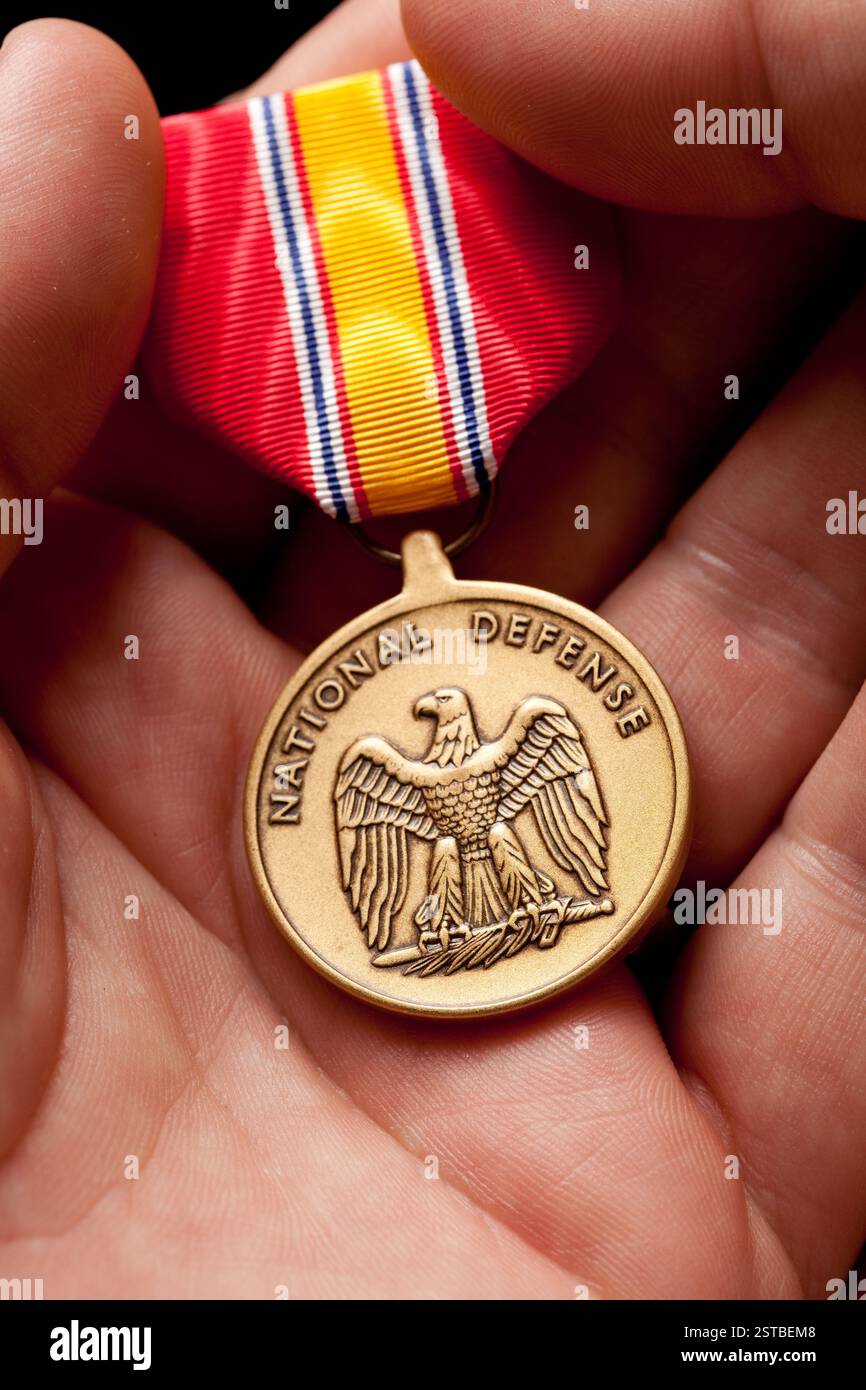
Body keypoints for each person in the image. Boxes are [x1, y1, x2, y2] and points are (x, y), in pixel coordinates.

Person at [0, 0, 862, 1299]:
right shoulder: (382, 773)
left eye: (452, 723)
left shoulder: (514, 735)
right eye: (444, 725)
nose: (447, 727)